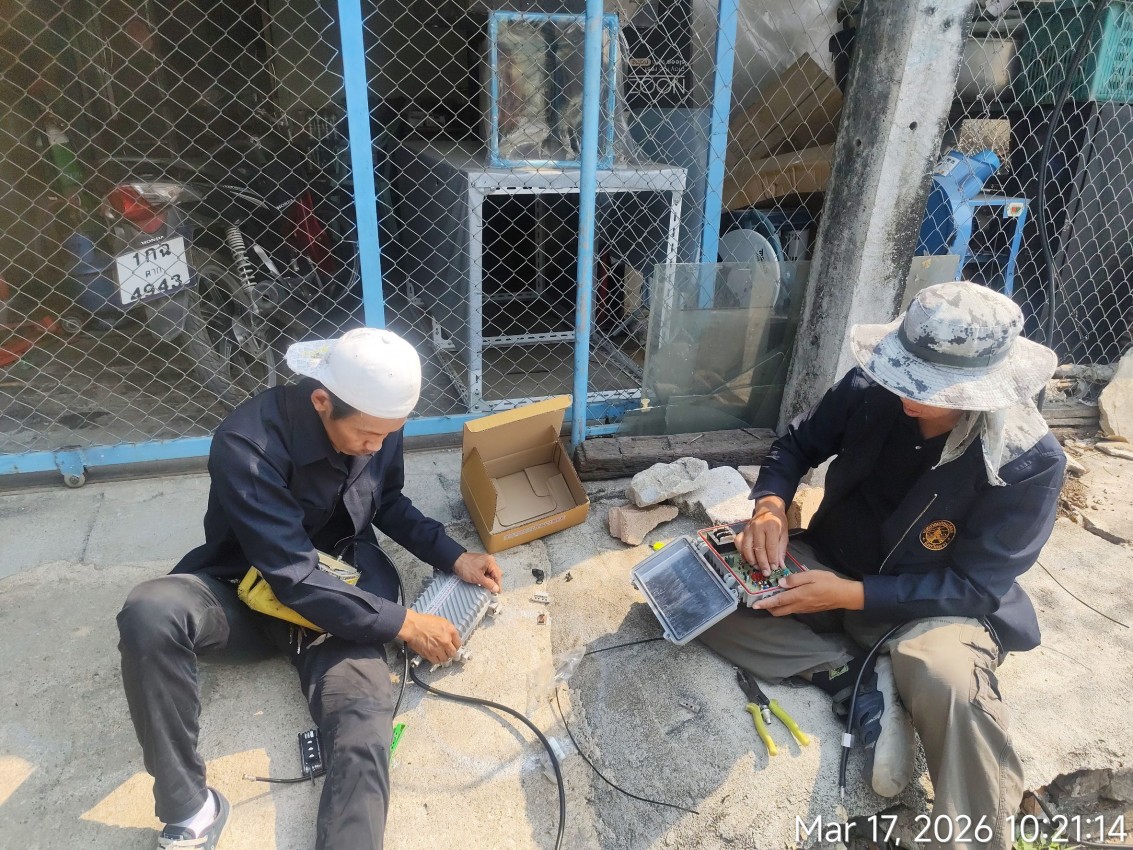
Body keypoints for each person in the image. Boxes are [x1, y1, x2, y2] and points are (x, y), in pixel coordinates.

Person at [701, 282, 1065, 849]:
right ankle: (853, 677)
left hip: (936, 608)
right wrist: (769, 507)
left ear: (982, 389)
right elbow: (796, 445)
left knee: (947, 682)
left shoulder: (1028, 460)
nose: (908, 395)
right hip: (833, 561)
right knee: (701, 591)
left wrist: (851, 596)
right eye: (905, 375)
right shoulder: (874, 387)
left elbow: (973, 587)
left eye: (930, 388)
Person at [117, 328, 503, 850]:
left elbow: (388, 501)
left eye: (389, 434)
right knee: (150, 610)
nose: (377, 446)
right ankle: (190, 807)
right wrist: (406, 623)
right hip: (245, 593)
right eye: (368, 435)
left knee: (364, 723)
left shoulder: (376, 417)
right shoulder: (246, 444)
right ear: (322, 401)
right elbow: (293, 577)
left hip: (343, 601)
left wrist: (453, 556)